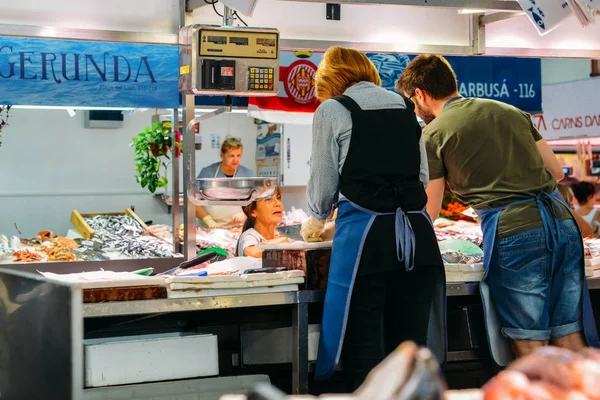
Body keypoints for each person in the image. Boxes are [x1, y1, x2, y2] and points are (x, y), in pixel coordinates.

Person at [397, 54, 599, 366]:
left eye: (411, 101)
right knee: (569, 336)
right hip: (561, 225)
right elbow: (557, 172)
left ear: (420, 94)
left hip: (516, 231)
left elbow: (431, 210)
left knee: (530, 344)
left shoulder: (432, 135)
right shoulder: (511, 110)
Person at [300, 46, 446, 391]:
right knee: (410, 353)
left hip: (367, 242)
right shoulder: (404, 106)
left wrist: (316, 219)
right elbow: (421, 179)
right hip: (418, 239)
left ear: (330, 80)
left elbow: (322, 184)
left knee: (362, 346)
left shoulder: (332, 110)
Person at [196, 137, 255, 229]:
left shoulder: (248, 174)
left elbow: (256, 202)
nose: (235, 159)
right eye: (231, 156)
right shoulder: (207, 173)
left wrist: (245, 213)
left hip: (238, 229)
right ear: (222, 155)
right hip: (210, 229)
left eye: (238, 155)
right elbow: (193, 201)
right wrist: (207, 219)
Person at [236, 187, 285, 257]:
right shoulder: (249, 236)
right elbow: (252, 253)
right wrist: (286, 241)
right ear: (252, 211)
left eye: (278, 198)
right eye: (268, 199)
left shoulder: (278, 235)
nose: (278, 204)